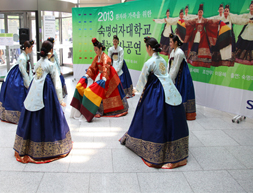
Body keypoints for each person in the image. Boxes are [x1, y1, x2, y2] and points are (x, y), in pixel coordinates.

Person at [119, 37, 189, 169]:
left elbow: (142, 80)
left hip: (156, 93)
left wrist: (135, 90)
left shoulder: (149, 62)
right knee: (171, 120)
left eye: (146, 47)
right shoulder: (162, 60)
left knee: (153, 118)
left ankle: (156, 150)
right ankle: (178, 153)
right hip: (171, 91)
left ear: (149, 48)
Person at [14, 40, 71, 164]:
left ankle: (28, 145)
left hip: (34, 91)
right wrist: (60, 99)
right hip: (47, 94)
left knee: (32, 113)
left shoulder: (37, 63)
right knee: (49, 117)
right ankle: (51, 146)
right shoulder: (51, 65)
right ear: (50, 52)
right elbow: (57, 83)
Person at [70, 38, 128, 122]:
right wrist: (87, 75)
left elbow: (106, 68)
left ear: (101, 48)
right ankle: (98, 109)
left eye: (96, 49)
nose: (95, 51)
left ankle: (110, 110)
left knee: (109, 93)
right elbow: (92, 68)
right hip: (102, 76)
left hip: (109, 76)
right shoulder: (97, 57)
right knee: (98, 91)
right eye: (94, 50)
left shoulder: (106, 58)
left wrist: (104, 78)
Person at [0, 40, 34, 124]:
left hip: (20, 74)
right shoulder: (22, 58)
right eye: (31, 48)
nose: (32, 49)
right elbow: (23, 71)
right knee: (19, 94)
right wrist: (28, 83)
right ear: (27, 48)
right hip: (17, 77)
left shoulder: (25, 56)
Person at [168, 34, 197, 120]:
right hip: (176, 75)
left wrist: (170, 80)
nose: (169, 43)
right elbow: (170, 66)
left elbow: (176, 68)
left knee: (182, 92)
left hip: (182, 76)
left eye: (171, 42)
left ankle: (183, 113)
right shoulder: (173, 52)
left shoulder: (179, 53)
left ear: (176, 42)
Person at [233, 1, 253, 65]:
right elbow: (238, 17)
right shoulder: (246, 15)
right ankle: (238, 58)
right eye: (251, 6)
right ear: (249, 7)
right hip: (245, 32)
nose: (252, 8)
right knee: (241, 43)